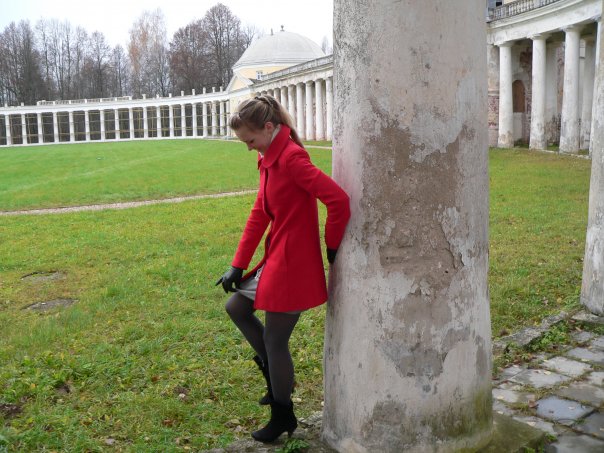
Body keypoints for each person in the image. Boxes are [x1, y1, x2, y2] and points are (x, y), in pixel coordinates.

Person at [216, 94, 350, 443]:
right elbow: (259, 213)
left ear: (268, 127)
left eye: (250, 140)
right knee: (236, 307)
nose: (249, 147)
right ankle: (275, 378)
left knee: (275, 340)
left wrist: (331, 244)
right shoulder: (267, 158)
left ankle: (282, 413)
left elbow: (338, 200)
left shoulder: (291, 158)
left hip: (293, 263)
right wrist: (237, 265)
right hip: (277, 256)